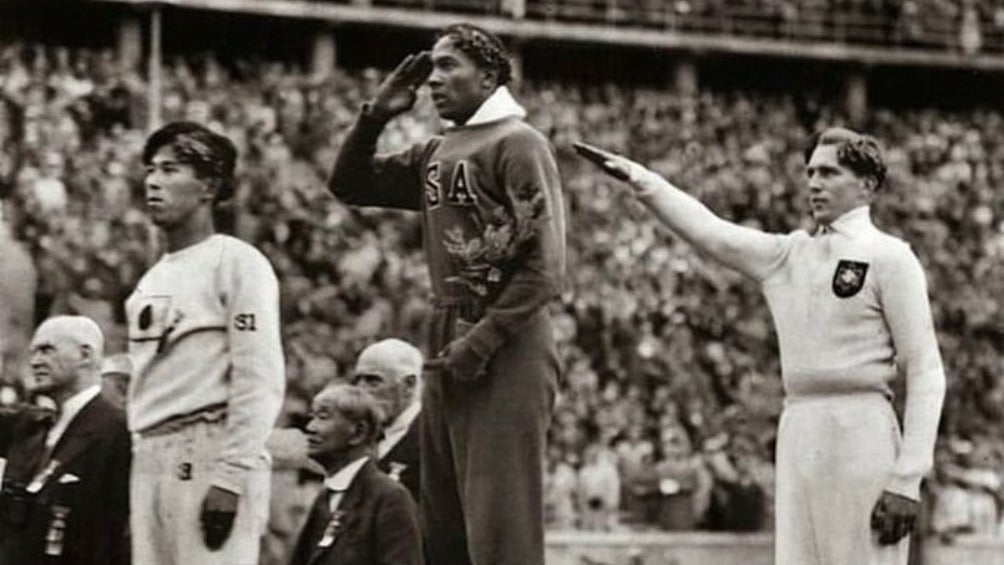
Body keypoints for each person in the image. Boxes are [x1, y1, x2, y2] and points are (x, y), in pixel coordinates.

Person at [578, 128, 946, 564]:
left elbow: (925, 369)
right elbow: (711, 232)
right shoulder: (789, 255)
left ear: (866, 185)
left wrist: (907, 477)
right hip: (798, 425)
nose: (814, 183)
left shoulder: (891, 257)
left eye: (829, 172)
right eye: (810, 172)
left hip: (861, 426)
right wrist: (643, 180)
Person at [329, 23, 566, 565]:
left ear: (488, 76)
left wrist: (481, 341)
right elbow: (349, 184)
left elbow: (546, 267)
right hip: (448, 329)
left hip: (506, 336)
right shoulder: (438, 148)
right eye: (431, 67)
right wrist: (376, 116)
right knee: (445, 527)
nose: (433, 79)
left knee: (500, 527)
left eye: (448, 65)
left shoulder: (519, 143)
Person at [125, 121, 285, 565]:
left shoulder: (236, 261)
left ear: (209, 186)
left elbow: (259, 376)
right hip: (150, 451)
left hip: (208, 448)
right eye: (151, 169)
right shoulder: (152, 277)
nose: (153, 181)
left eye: (171, 169)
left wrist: (231, 477)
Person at [0, 316, 130, 565]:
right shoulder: (28, 425)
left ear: (85, 355)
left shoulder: (117, 431)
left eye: (47, 350)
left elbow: (119, 535)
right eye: (33, 352)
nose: (35, 361)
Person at [289, 384, 421, 565]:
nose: (310, 427)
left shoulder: (390, 497)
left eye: (323, 417)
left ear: (358, 432)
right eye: (312, 417)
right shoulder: (327, 497)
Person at [351, 338, 423, 502]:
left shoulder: (434, 438)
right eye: (358, 380)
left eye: (373, 381)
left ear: (408, 385)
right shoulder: (359, 438)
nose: (361, 391)